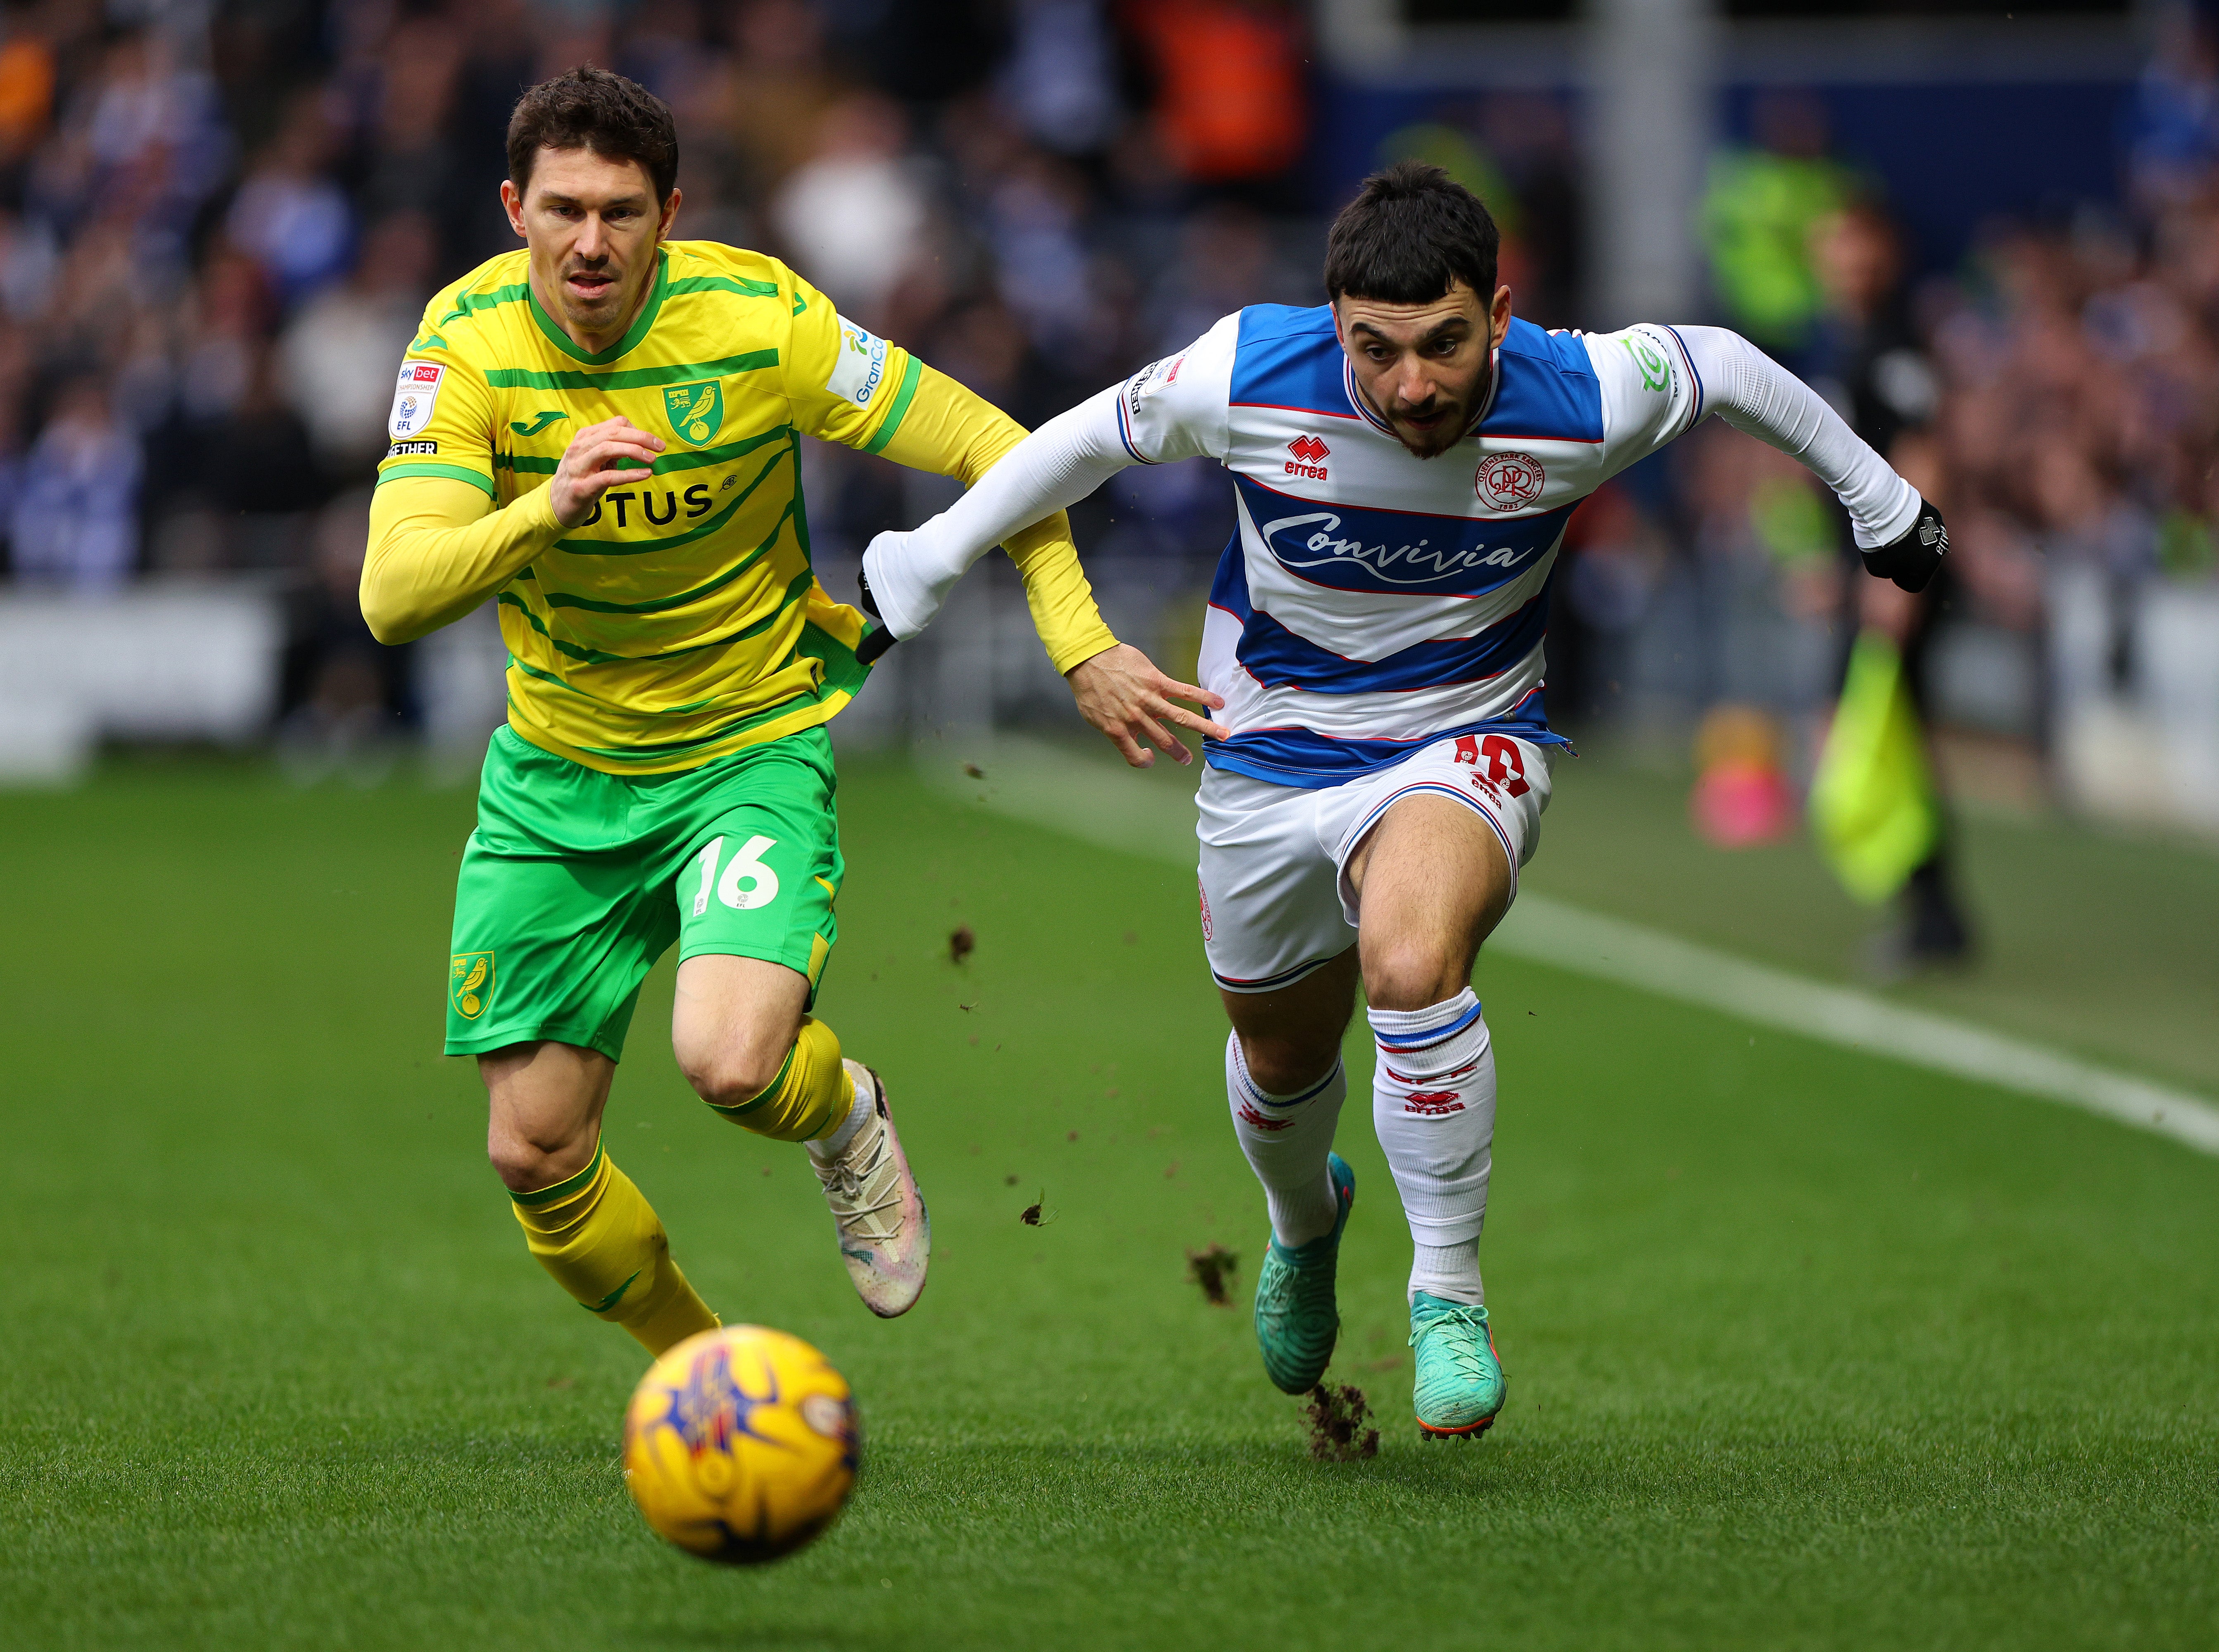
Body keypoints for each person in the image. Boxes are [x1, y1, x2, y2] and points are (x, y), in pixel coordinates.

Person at [859, 162, 1945, 1437]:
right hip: (1264, 757)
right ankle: (1304, 1223)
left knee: (1411, 961)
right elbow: (1081, 442)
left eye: (1442, 344)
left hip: (1463, 738)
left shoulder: (1582, 394)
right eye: (1375, 352)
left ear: (1499, 310)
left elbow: (1721, 362)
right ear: (1335, 329)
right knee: (1279, 1067)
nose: (1411, 385)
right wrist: (927, 565)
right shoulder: (1244, 374)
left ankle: (1446, 1294)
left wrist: (1881, 503)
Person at [359, 67, 1210, 1358]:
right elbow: (389, 596)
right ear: (513, 208)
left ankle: (845, 1116)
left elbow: (1003, 448)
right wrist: (544, 510)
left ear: (671, 213)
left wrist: (1079, 642)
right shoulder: (461, 343)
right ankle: (713, 1384)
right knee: (534, 1151)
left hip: (746, 745)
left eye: (624, 212)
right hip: (557, 775)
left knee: (730, 1061)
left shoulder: (761, 320)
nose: (592, 242)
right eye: (565, 208)